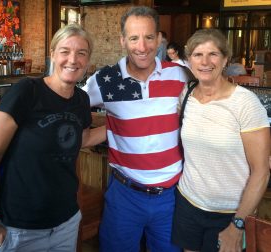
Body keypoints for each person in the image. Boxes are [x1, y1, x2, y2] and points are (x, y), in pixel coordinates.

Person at [0, 24, 106, 252]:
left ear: (87, 61)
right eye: (65, 51)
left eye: (81, 53)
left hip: (66, 222)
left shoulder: (82, 100)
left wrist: (125, 125)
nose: (72, 59)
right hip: (19, 228)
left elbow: (82, 138)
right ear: (53, 54)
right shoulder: (28, 91)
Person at [83, 6, 187, 252]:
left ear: (159, 38)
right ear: (122, 41)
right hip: (124, 195)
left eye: (149, 37)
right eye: (133, 38)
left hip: (172, 196)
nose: (142, 46)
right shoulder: (105, 80)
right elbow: (68, 105)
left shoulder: (181, 75)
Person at [172, 28, 270, 252]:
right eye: (197, 55)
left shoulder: (245, 103)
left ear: (225, 59)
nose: (205, 61)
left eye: (213, 54)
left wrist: (238, 223)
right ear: (189, 60)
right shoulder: (186, 95)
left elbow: (261, 171)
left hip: (230, 213)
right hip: (188, 203)